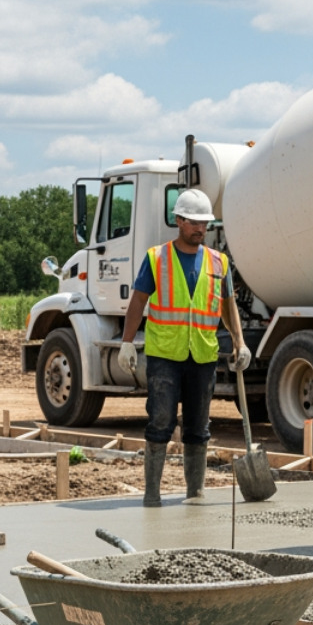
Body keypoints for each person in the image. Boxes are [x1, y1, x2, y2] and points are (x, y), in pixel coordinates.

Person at [118, 189, 250, 506]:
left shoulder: (219, 262)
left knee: (198, 427)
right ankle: (152, 494)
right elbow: (138, 301)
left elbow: (228, 305)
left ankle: (195, 492)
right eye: (193, 222)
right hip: (165, 355)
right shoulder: (156, 258)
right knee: (160, 421)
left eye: (204, 223)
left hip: (203, 356)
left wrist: (240, 341)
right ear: (178, 221)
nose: (200, 229)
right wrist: (127, 342)